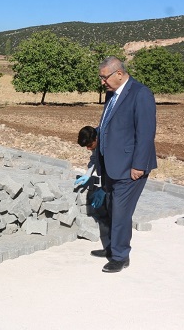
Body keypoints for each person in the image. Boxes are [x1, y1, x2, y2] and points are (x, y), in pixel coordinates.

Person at [92, 56, 157, 273]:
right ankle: (113, 247)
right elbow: (107, 126)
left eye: (104, 77)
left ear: (119, 73)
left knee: (121, 212)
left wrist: (138, 165)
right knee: (112, 208)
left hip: (130, 167)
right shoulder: (111, 94)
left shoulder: (140, 94)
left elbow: (146, 133)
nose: (102, 82)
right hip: (111, 164)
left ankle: (120, 256)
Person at [75, 125, 106, 209]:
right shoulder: (93, 137)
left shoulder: (108, 144)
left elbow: (111, 169)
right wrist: (88, 174)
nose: (88, 148)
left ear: (96, 138)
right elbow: (94, 158)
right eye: (86, 146)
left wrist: (105, 188)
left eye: (90, 145)